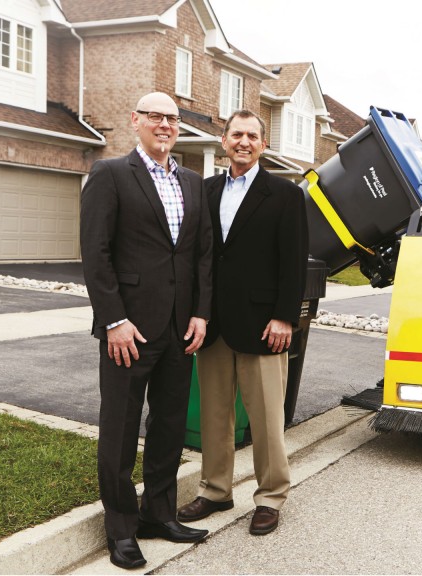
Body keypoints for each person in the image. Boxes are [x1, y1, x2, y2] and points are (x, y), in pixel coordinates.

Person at [80, 91, 213, 569]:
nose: (165, 124)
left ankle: (159, 514)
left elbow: (200, 256)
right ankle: (120, 528)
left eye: (172, 118)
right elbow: (95, 254)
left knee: (169, 425)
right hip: (129, 330)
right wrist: (113, 320)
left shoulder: (193, 183)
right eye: (155, 116)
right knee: (118, 429)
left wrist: (200, 313)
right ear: (135, 120)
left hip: (180, 328)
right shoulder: (111, 175)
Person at [176, 110, 308, 536]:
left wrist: (286, 316)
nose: (244, 142)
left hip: (263, 326)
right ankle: (215, 490)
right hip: (212, 324)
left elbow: (294, 261)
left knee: (267, 419)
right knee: (215, 415)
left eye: (253, 135)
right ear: (224, 140)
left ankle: (270, 496)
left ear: (263, 144)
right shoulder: (207, 189)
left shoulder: (285, 195)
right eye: (237, 134)